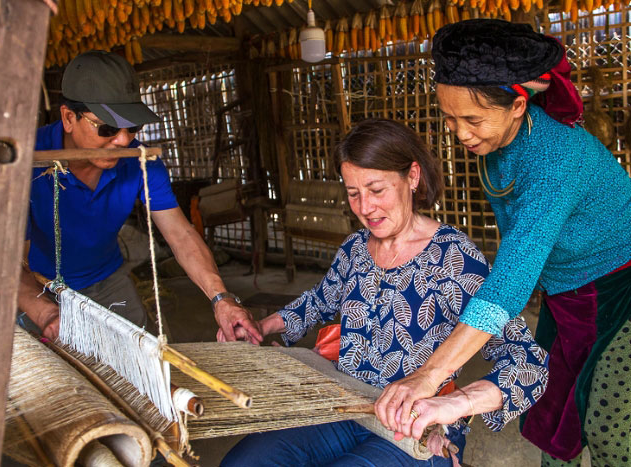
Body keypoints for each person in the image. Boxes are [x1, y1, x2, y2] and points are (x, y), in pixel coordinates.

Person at [219, 119, 548, 466]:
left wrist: (456, 404)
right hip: (344, 403)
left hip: (413, 426)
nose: (365, 208)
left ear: (412, 177)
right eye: (353, 193)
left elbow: (529, 363)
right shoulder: (355, 249)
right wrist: (261, 327)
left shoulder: (453, 258)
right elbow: (318, 301)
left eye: (377, 190)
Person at [383, 20, 631, 466]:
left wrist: (429, 375)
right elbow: (519, 248)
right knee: (552, 416)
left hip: (620, 287)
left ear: (518, 106)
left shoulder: (555, 159)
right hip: (565, 292)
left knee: (609, 424)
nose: (460, 133)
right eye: (450, 118)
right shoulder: (496, 147)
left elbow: (511, 280)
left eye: (472, 119)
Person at [17, 50, 261, 344]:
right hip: (39, 287)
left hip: (107, 279)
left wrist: (221, 298)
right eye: (107, 128)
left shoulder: (141, 162)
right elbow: (8, 261)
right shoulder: (25, 162)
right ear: (69, 118)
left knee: (151, 360)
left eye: (131, 127)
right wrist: (46, 314)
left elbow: (181, 234)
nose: (122, 140)